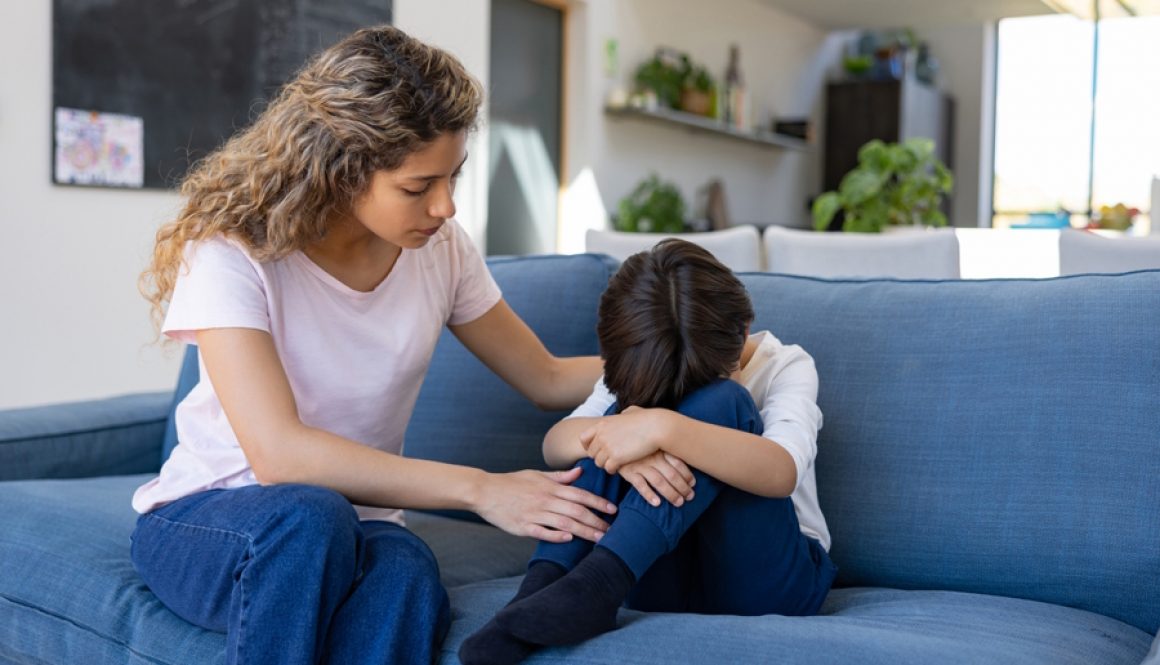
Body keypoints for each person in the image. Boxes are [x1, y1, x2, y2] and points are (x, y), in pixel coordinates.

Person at [129, 25, 618, 665]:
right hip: (211, 521)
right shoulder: (232, 251)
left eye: (453, 177)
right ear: (339, 169)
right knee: (310, 519)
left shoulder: (441, 250)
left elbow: (547, 377)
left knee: (405, 569)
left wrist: (695, 364)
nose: (444, 207)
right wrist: (482, 489)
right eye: (418, 187)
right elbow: (278, 456)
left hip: (359, 524)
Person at [461, 239, 839, 665]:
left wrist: (661, 426)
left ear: (745, 329)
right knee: (609, 422)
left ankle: (601, 582)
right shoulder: (641, 359)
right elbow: (556, 443)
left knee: (723, 401)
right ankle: (544, 589)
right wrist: (625, 431)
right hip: (659, 569)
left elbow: (782, 471)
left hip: (768, 583)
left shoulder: (785, 364)